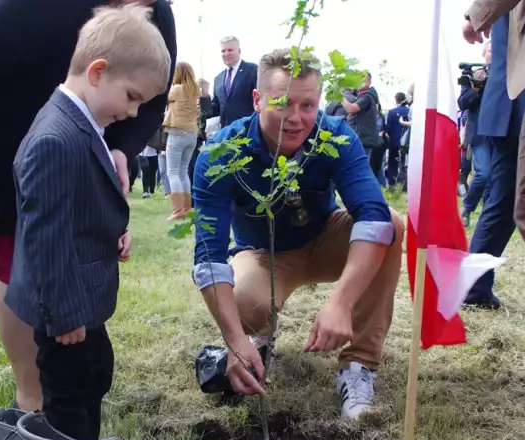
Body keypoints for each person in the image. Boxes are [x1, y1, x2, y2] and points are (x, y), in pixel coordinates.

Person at [0, 0, 176, 413]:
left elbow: (151, 100)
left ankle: (66, 362)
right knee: (16, 258)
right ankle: (31, 393)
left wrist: (122, 149)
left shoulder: (158, 17)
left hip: (78, 134)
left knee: (70, 241)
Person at [192, 49, 404, 420]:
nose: (296, 118)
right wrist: (234, 341)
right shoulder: (221, 152)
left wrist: (341, 302)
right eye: (282, 103)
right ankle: (255, 342)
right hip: (260, 252)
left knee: (392, 224)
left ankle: (358, 367)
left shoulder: (335, 136)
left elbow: (372, 215)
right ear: (257, 100)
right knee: (245, 301)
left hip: (325, 238)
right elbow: (209, 255)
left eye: (308, 105)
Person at [6, 4, 170, 440]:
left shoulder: (84, 122)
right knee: (69, 398)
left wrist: (113, 231)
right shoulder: (55, 139)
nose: (135, 114)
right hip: (65, 308)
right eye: (133, 97)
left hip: (82, 298)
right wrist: (65, 315)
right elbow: (47, 236)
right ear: (97, 72)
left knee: (95, 374)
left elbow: (79, 203)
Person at [462, 4, 525, 309]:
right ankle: (473, 288)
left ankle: (474, 288)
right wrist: (474, 16)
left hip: (506, 104)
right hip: (515, 101)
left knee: (502, 202)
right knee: (503, 201)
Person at [458, 41, 492, 227]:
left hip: (502, 133)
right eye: (491, 50)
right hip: (480, 133)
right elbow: (462, 103)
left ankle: (488, 216)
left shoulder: (506, 74)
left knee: (496, 178)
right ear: (484, 54)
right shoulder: (472, 75)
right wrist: (475, 88)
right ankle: (468, 207)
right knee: (484, 173)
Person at [162, 61, 200, 220]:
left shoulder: (176, 89)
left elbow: (161, 95)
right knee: (183, 171)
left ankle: (178, 211)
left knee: (172, 172)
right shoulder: (195, 90)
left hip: (177, 133)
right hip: (192, 134)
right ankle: (187, 208)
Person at [210, 36, 258, 128]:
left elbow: (261, 100)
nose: (226, 54)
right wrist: (204, 103)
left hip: (248, 130)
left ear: (239, 51)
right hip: (226, 133)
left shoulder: (253, 70)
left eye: (230, 50)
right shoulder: (218, 79)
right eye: (223, 51)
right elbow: (217, 108)